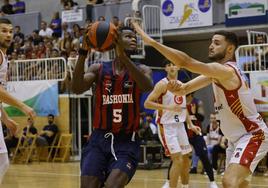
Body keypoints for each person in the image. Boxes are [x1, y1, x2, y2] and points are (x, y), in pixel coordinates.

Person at [132, 22, 268, 188]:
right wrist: (176, 88)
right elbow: (184, 89)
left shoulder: (226, 71)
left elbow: (185, 61)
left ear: (230, 49)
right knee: (239, 185)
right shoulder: (217, 74)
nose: (211, 46)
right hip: (236, 139)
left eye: (217, 43)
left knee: (229, 182)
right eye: (211, 42)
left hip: (252, 134)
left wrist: (152, 42)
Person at [72, 25, 153, 188]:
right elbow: (77, 87)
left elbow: (147, 86)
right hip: (99, 139)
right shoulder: (99, 68)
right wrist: (83, 52)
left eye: (134, 37)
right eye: (128, 36)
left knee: (112, 186)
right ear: (115, 40)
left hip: (126, 141)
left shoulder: (142, 69)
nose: (133, 39)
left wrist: (123, 58)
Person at [144, 61, 201, 188]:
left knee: (186, 160)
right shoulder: (162, 85)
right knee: (178, 160)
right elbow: (147, 103)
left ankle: (185, 186)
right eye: (168, 65)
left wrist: (190, 124)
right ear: (165, 68)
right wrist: (168, 107)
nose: (171, 67)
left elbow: (183, 107)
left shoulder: (182, 85)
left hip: (180, 126)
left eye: (173, 64)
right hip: (166, 126)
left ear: (178, 67)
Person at [0, 18, 35, 184]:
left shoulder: (3, 56)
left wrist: (5, 118)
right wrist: (23, 106)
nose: (8, 35)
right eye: (3, 31)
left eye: (10, 31)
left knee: (2, 162)